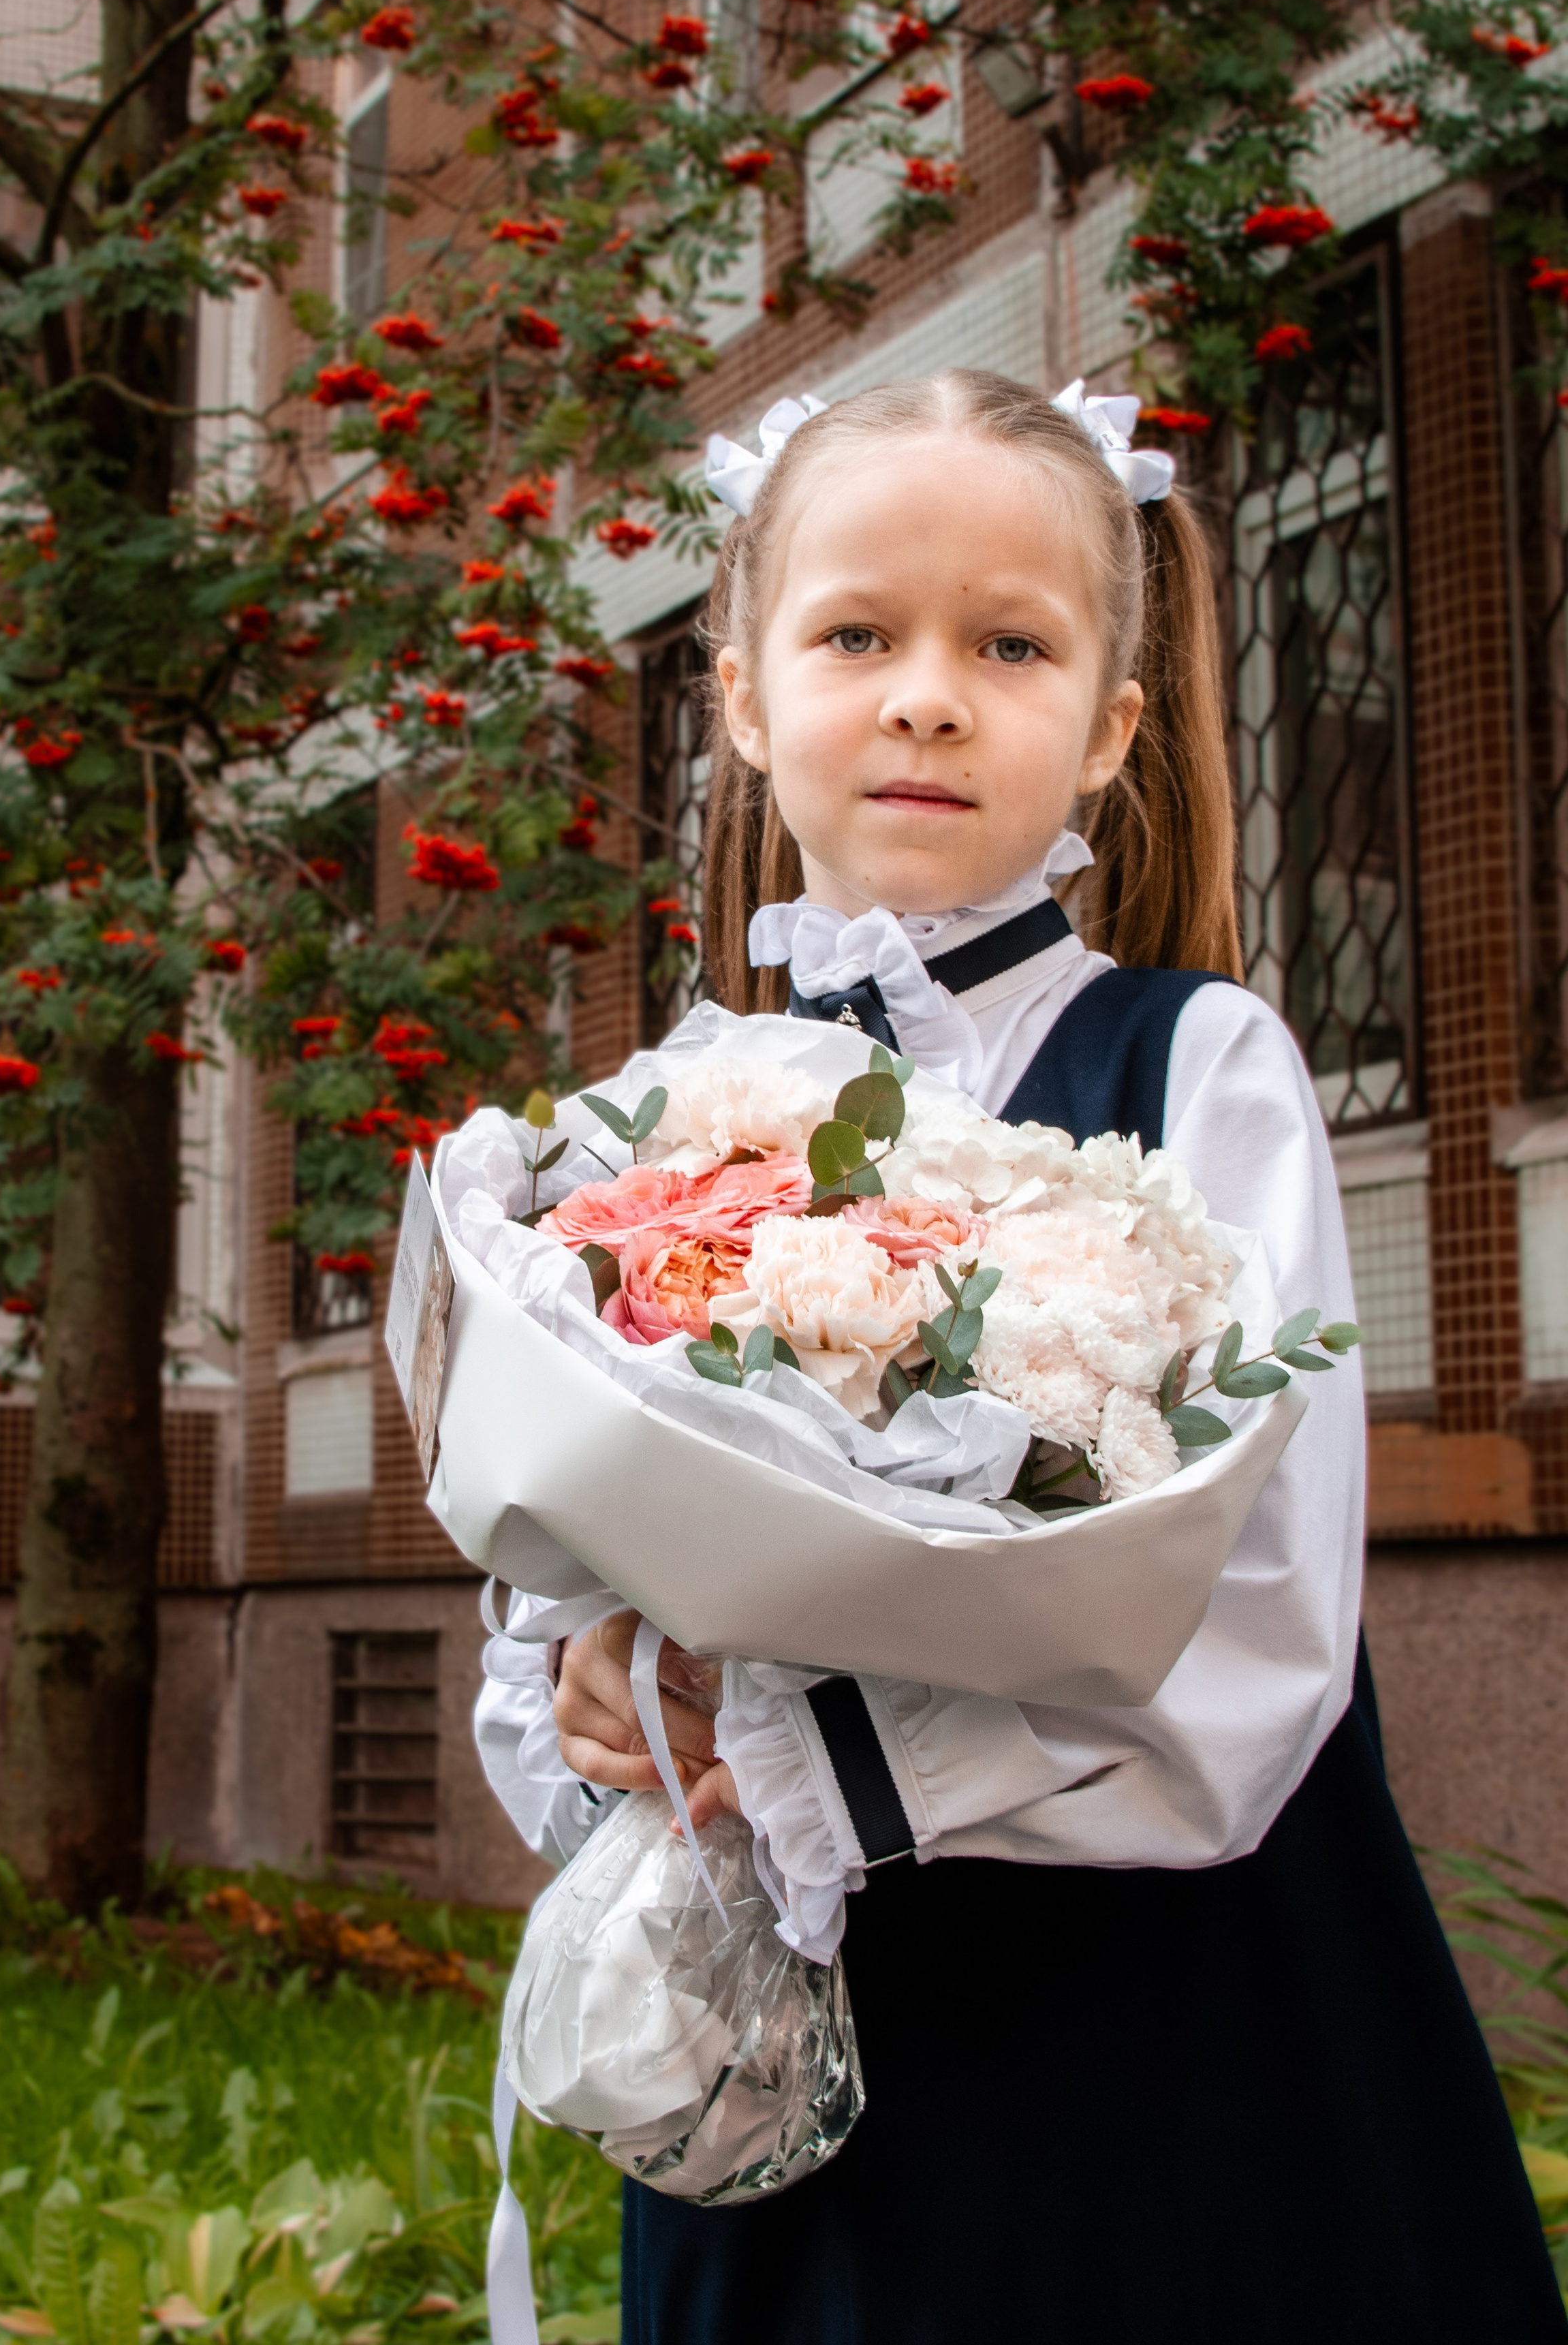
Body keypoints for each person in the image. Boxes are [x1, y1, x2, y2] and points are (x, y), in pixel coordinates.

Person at [475, 371, 1565, 2342]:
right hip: (786, 2028)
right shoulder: (647, 1117)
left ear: (1109, 732)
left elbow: (1261, 1615)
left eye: (1009, 642)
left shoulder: (1197, 1062)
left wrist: (832, 1760)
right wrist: (593, 1687)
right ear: (741, 696)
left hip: (1161, 2030)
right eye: (858, 634)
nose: (926, 694)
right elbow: (558, 1544)